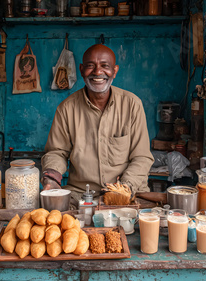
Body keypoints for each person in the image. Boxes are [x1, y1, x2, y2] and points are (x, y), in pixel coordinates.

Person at [41, 44, 154, 207]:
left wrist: (123, 188)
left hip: (128, 191)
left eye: (105, 66)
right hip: (81, 195)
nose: (97, 72)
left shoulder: (132, 105)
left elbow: (142, 157)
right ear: (81, 70)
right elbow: (57, 152)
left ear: (115, 71)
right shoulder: (66, 109)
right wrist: (52, 177)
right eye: (90, 66)